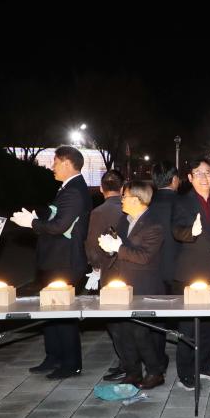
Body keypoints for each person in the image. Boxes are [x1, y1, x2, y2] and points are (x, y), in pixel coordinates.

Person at [12, 146, 92, 380]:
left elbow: (60, 226)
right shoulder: (68, 188)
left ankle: (70, 363)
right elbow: (55, 215)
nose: (52, 166)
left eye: (55, 162)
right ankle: (54, 356)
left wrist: (32, 224)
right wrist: (37, 215)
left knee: (63, 314)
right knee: (51, 311)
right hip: (56, 260)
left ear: (67, 163)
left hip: (65, 261)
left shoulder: (75, 191)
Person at [98, 181, 166, 389]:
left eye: (125, 196)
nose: (122, 200)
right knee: (120, 330)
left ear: (137, 199)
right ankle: (132, 371)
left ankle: (155, 372)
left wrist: (117, 248)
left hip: (143, 285)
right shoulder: (124, 220)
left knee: (140, 332)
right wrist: (109, 249)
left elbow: (145, 257)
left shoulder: (154, 224)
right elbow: (118, 246)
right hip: (121, 284)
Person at [172, 157, 210, 389]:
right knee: (189, 328)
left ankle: (204, 364)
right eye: (199, 173)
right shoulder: (182, 202)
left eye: (208, 173)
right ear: (190, 177)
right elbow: (176, 230)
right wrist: (190, 232)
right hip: (192, 273)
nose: (204, 177)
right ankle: (186, 372)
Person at [85, 170, 126, 381]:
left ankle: (125, 361)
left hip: (110, 271)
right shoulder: (131, 207)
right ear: (123, 187)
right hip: (133, 268)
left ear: (101, 189)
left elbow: (92, 246)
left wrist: (95, 267)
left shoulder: (98, 212)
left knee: (115, 320)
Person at [145, 161, 180, 375]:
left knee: (155, 319)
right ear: (175, 180)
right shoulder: (183, 202)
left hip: (154, 269)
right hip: (180, 268)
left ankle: (157, 361)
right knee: (188, 318)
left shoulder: (148, 205)